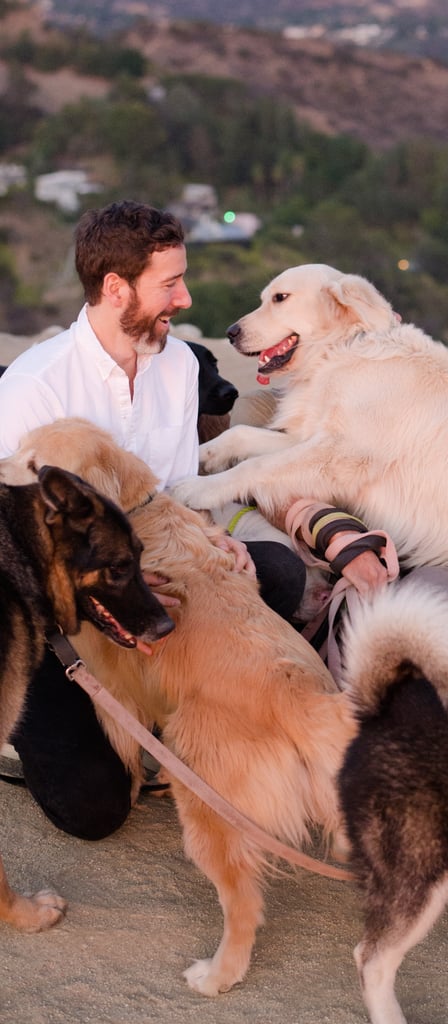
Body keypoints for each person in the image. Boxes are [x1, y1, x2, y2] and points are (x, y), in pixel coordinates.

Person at [0, 200, 306, 838]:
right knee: (96, 810)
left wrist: (215, 545)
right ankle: (46, 727)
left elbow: (176, 493)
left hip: (149, 579)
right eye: (170, 283)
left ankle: (181, 713)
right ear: (116, 289)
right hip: (60, 619)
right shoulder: (33, 389)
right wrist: (107, 602)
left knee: (273, 572)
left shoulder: (181, 366)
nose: (187, 298)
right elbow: (16, 550)